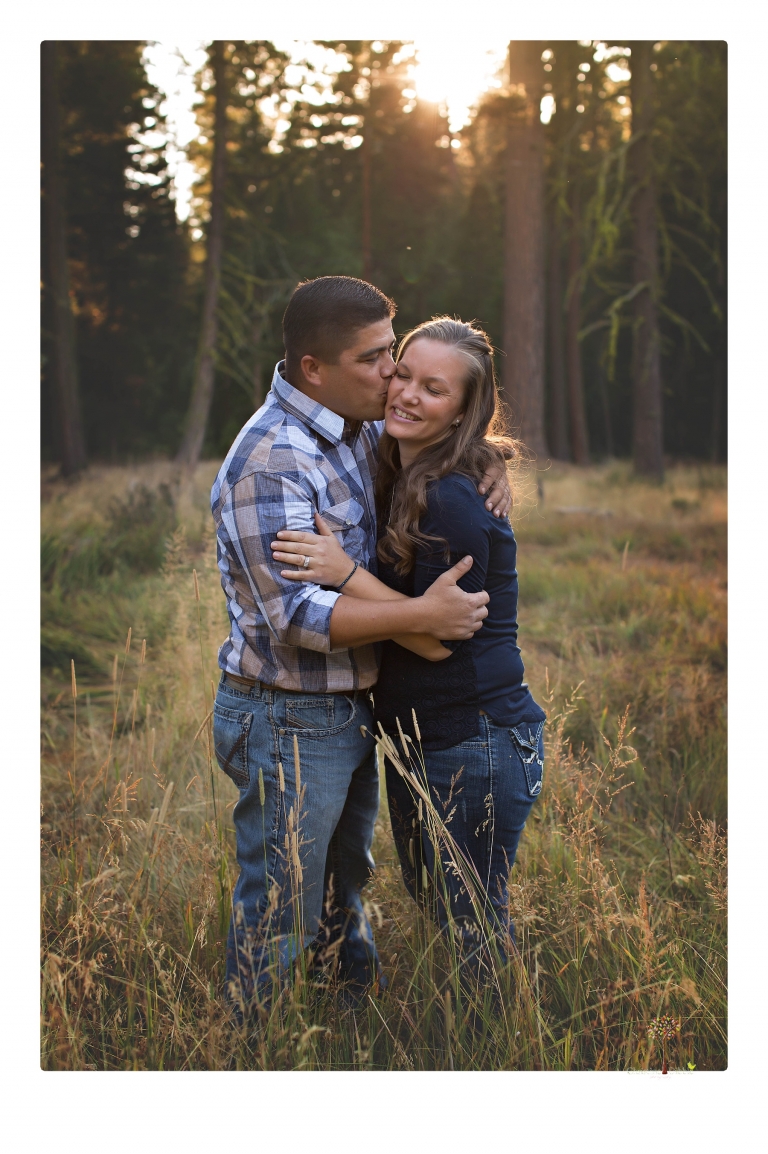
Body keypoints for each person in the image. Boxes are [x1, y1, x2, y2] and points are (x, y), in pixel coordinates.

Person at [211, 279, 511, 1015]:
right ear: (316, 368)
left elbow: (435, 429)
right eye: (379, 359)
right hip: (287, 717)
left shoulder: (356, 427)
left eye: (396, 353)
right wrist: (418, 616)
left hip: (347, 709)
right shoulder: (272, 462)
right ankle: (257, 1051)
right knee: (281, 905)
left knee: (347, 887)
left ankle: (350, 1020)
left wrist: (487, 457)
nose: (393, 376)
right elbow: (297, 616)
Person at [271, 317, 545, 994]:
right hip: (432, 738)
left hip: (475, 737)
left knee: (473, 921)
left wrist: (339, 569)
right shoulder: (407, 464)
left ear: (461, 411)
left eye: (435, 388)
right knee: (443, 903)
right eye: (403, 374)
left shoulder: (450, 497)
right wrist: (487, 456)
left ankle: (503, 1050)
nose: (408, 394)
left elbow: (430, 634)